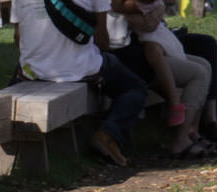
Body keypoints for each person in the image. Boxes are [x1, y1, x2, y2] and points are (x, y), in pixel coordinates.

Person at [11, 0, 148, 167]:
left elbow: (18, 38)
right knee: (135, 88)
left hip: (33, 72)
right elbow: (102, 40)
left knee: (15, 81)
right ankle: (107, 134)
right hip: (81, 69)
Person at [108, 4, 213, 158]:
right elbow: (115, 9)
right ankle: (180, 140)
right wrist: (144, 14)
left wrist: (157, 9)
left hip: (144, 43)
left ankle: (192, 132)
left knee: (204, 64)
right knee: (198, 73)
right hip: (131, 52)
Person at [123, 0, 185, 126]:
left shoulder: (150, 5)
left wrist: (158, 8)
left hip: (155, 37)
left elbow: (149, 22)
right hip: (139, 42)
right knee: (151, 53)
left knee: (202, 65)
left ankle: (187, 123)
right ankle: (175, 103)